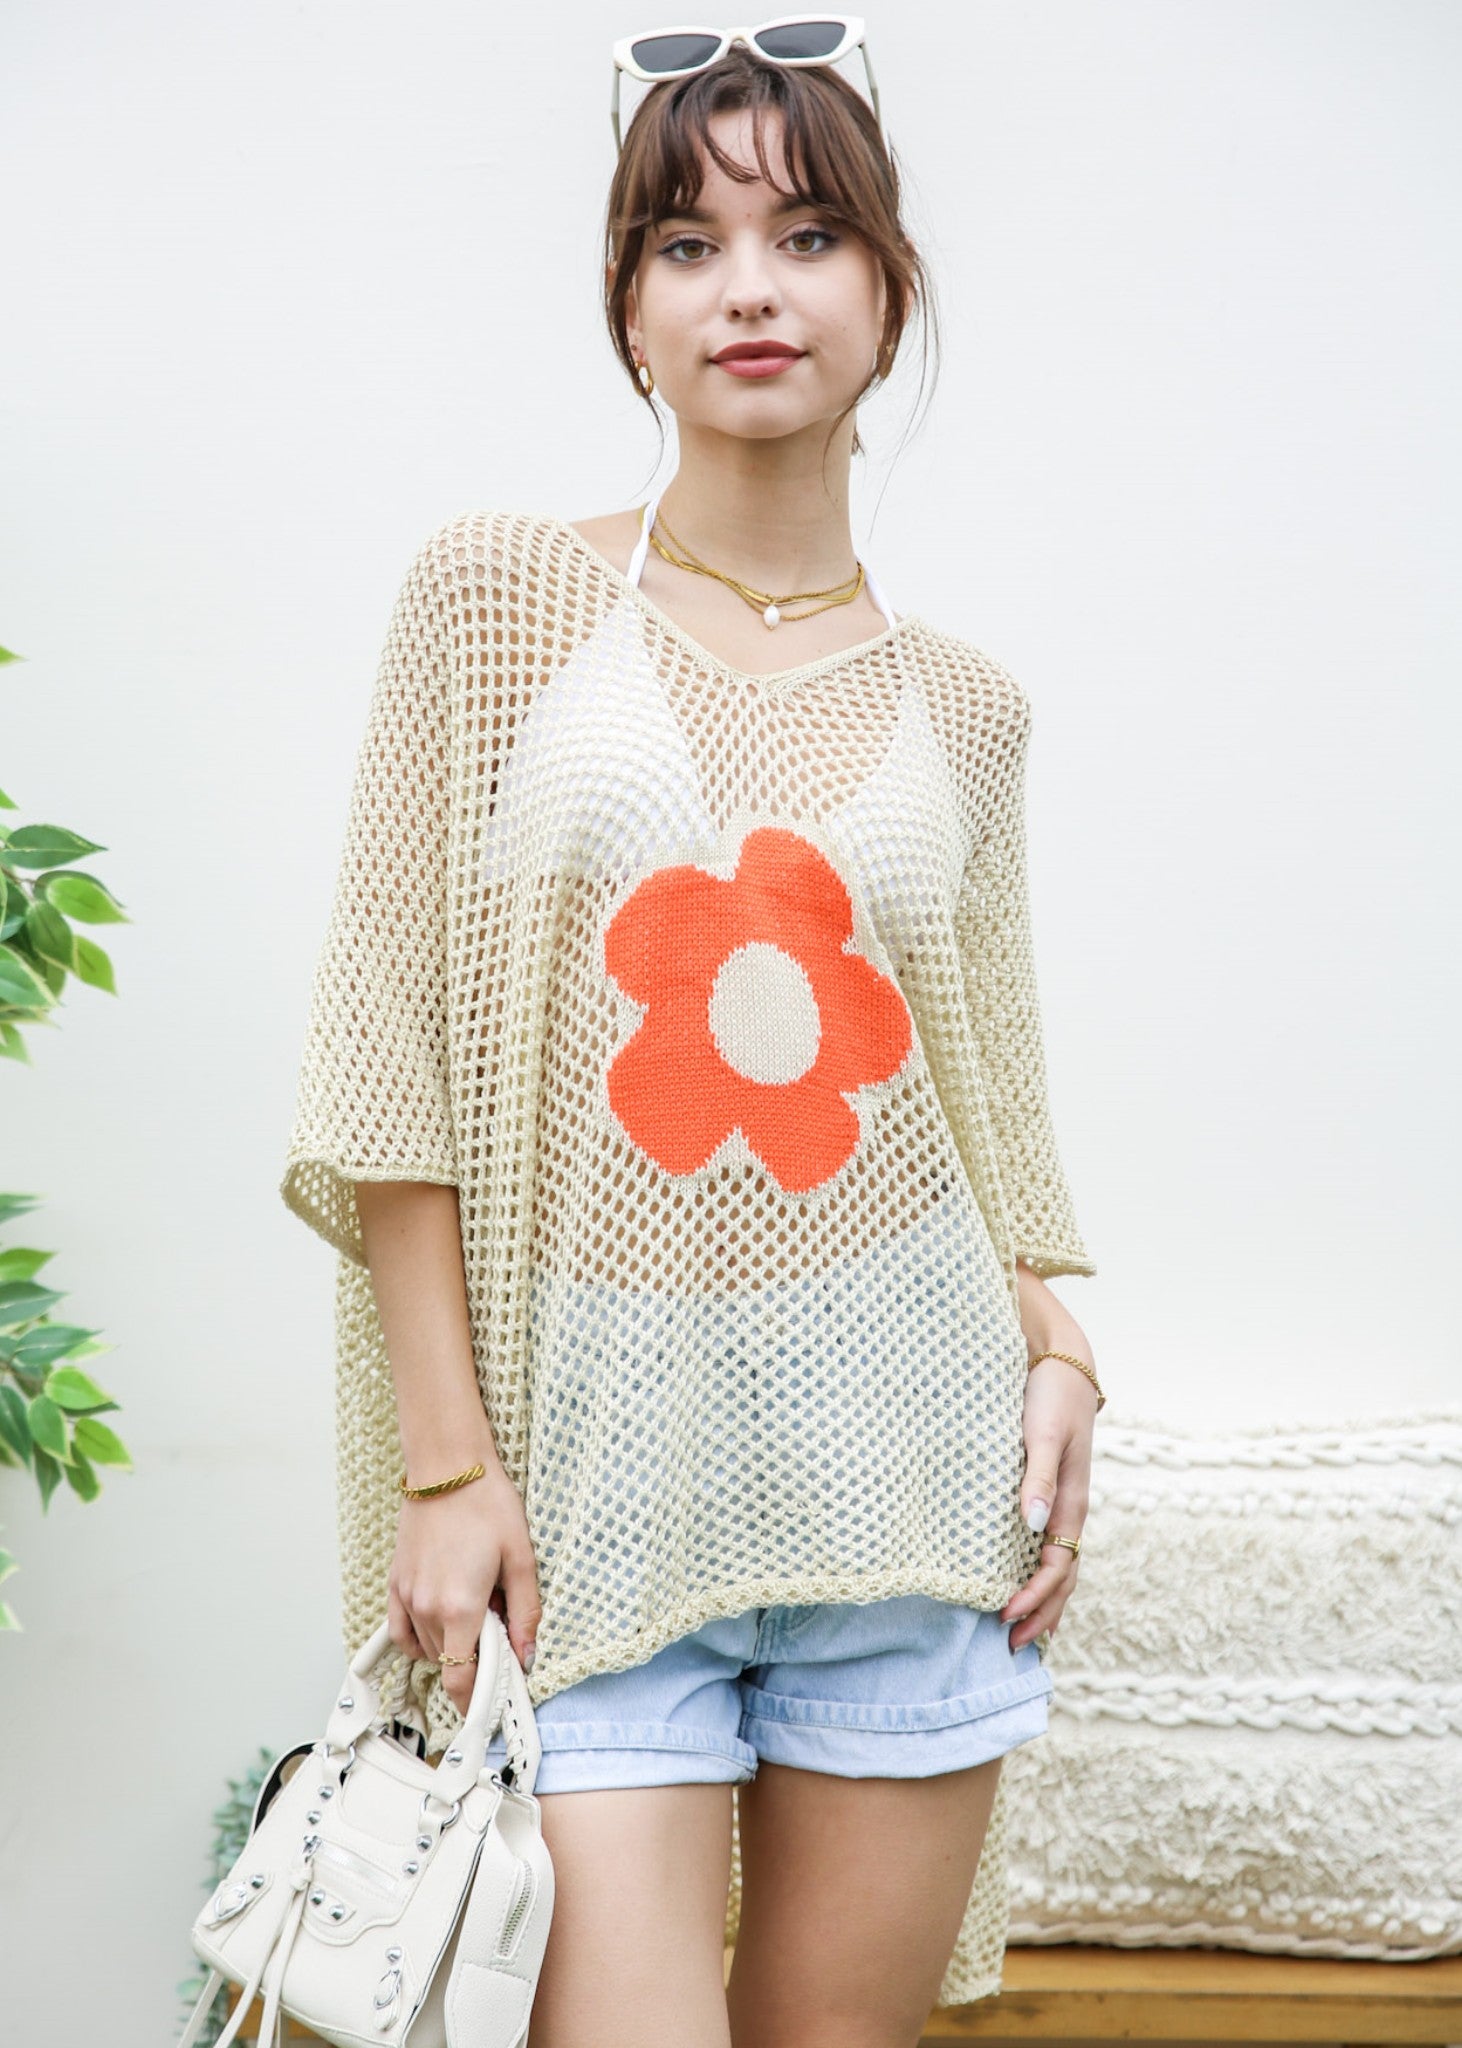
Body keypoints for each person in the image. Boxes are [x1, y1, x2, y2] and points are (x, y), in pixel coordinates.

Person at [280, 24, 1102, 2047]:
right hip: (587, 1516)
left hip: (910, 1503)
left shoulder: (967, 706)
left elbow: (984, 1114)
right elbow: (386, 1052)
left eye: (806, 234)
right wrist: (445, 1467)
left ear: (888, 294)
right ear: (626, 308)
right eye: (687, 241)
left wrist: (1064, 1351)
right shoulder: (497, 602)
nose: (749, 285)